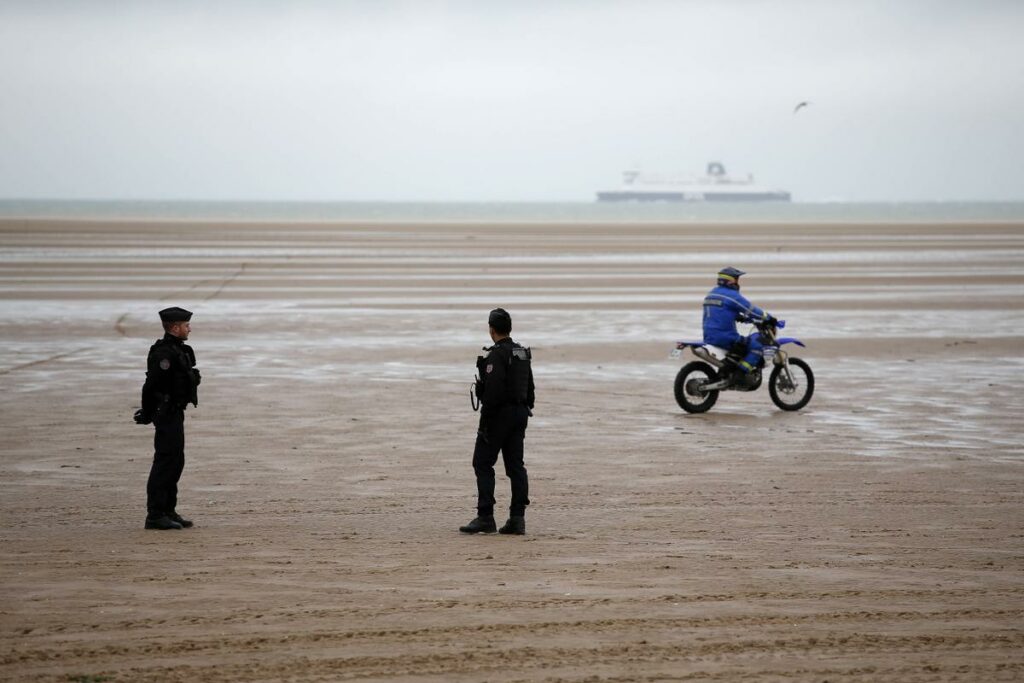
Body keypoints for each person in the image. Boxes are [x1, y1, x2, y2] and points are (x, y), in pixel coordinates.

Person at [460, 308, 535, 536]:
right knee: (515, 466)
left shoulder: (496, 355)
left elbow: (492, 395)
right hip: (520, 414)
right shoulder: (521, 353)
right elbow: (530, 389)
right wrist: (524, 409)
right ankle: (517, 518)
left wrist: (486, 422)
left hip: (499, 416)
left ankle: (485, 517)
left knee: (482, 463)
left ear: (491, 330)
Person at [133, 307, 201, 530]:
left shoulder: (179, 350)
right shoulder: (164, 353)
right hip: (166, 412)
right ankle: (155, 515)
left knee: (176, 461)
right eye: (185, 325)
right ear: (174, 327)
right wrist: (147, 412)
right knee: (165, 462)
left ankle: (168, 510)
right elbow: (151, 385)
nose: (189, 328)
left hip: (176, 411)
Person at [702, 267, 777, 378]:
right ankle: (740, 374)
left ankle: (732, 368)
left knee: (743, 346)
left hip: (708, 336)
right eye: (737, 279)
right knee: (758, 345)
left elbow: (720, 312)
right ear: (731, 281)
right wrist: (768, 318)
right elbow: (751, 310)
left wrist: (741, 317)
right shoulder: (732, 296)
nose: (738, 282)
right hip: (726, 337)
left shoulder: (711, 294)